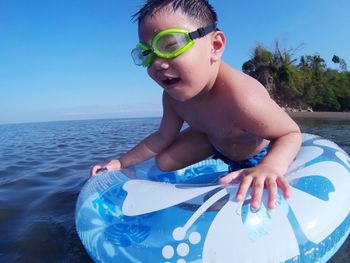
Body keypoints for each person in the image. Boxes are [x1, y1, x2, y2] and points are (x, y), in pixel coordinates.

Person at [91, 0, 302, 211]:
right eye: (147, 54)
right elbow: (162, 137)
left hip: (255, 152)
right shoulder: (172, 97)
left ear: (215, 46)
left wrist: (270, 167)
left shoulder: (243, 98)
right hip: (215, 142)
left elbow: (290, 133)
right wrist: (121, 162)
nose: (156, 63)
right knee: (164, 161)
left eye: (170, 45)